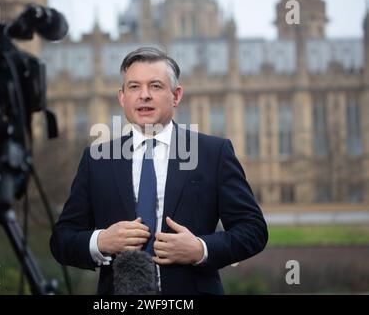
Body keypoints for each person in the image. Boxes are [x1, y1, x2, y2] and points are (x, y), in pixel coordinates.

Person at [50, 47, 268, 295]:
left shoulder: (212, 153)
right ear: (122, 98)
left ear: (176, 95)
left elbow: (253, 230)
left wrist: (200, 248)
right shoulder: (96, 159)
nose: (144, 95)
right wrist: (101, 241)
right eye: (134, 87)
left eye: (155, 86)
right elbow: (61, 240)